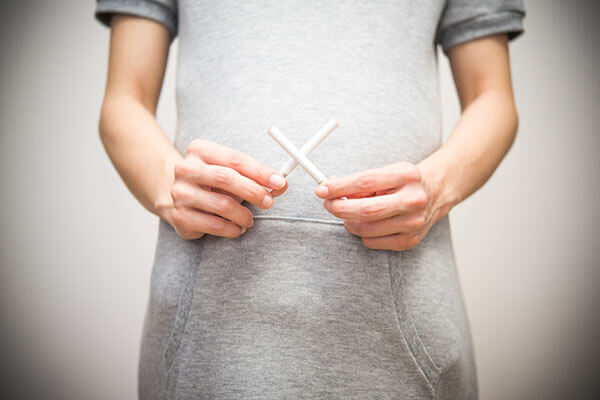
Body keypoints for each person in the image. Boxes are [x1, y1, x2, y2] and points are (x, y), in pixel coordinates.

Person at [95, 1, 524, 398]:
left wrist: (434, 188)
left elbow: (492, 97)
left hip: (403, 321)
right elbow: (124, 100)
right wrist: (169, 189)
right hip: (207, 329)